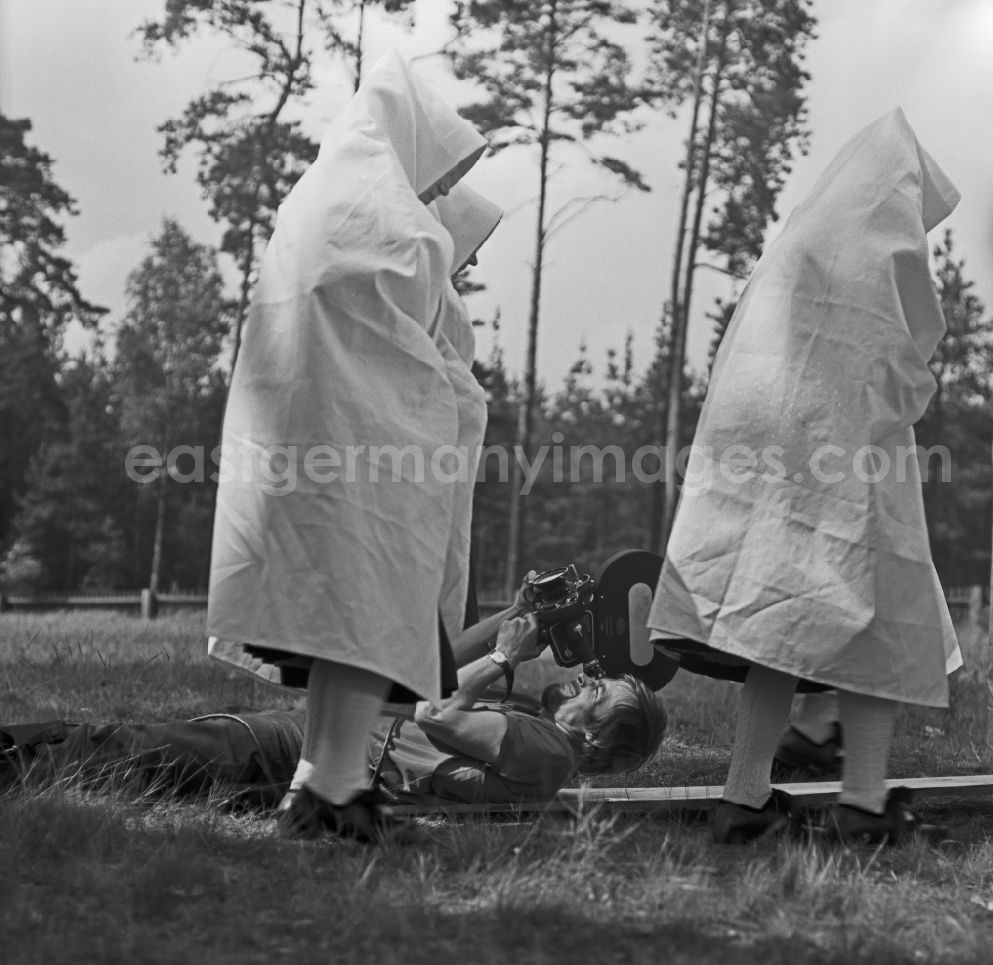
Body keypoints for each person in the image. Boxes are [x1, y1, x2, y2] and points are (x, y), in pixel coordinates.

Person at [647, 109, 961, 846]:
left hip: (762, 451)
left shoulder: (799, 240)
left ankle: (743, 796)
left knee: (778, 618)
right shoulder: (885, 244)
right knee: (885, 612)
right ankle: (863, 803)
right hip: (847, 443)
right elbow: (905, 356)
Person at [205, 50, 488, 843]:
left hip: (311, 444)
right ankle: (336, 786)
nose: (438, 191)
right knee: (368, 614)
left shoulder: (324, 197)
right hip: (373, 450)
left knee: (338, 624)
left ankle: (321, 783)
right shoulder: (392, 218)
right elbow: (413, 345)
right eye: (438, 170)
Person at [2, 599, 667, 831]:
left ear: (593, 733)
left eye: (601, 690)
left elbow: (433, 709)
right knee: (147, 751)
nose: (588, 677)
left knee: (128, 749)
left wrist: (500, 657)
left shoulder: (549, 751)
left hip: (310, 750)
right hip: (325, 740)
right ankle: (24, 755)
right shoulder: (536, 734)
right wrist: (516, 615)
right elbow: (424, 672)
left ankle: (18, 757)